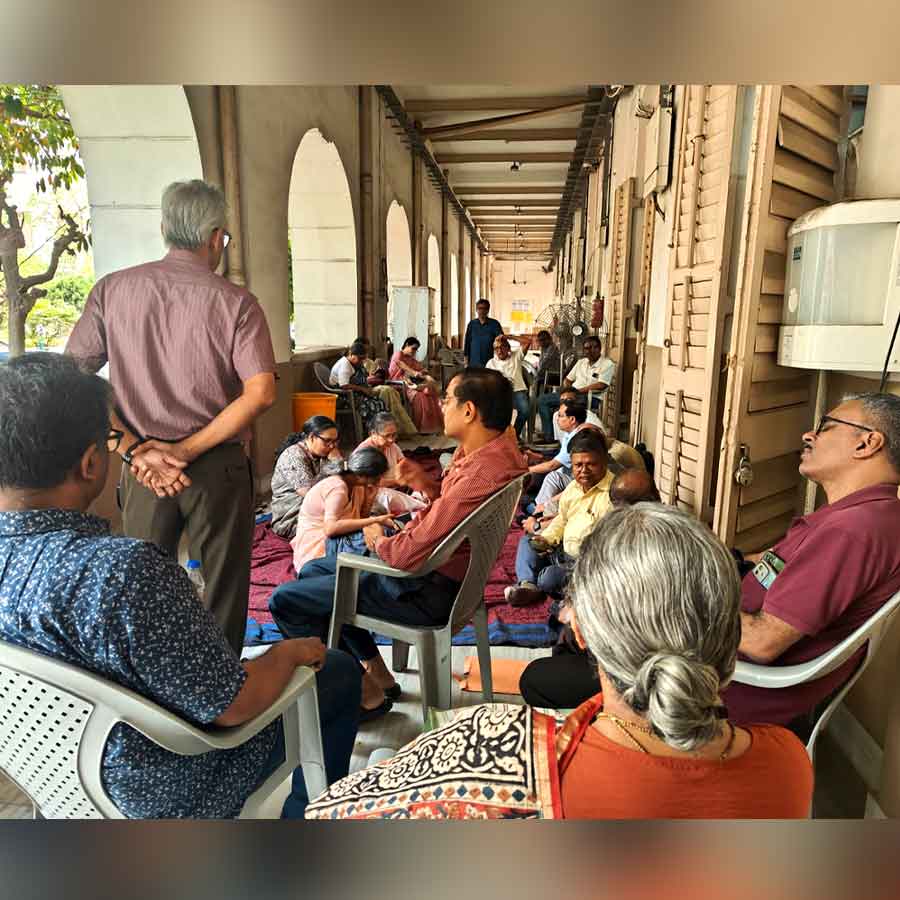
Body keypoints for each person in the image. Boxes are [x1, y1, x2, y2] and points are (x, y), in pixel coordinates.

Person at [0, 354, 360, 819]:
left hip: (47, 774)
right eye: (110, 442)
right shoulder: (121, 572)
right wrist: (287, 653)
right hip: (160, 787)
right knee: (334, 671)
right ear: (91, 464)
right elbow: (231, 708)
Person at [305, 504, 812, 820]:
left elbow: (327, 814)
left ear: (583, 632)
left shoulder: (491, 751)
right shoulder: (790, 764)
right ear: (730, 633)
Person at [66, 179, 276, 655]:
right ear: (216, 237)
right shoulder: (236, 303)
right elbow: (261, 392)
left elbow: (72, 377)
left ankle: (151, 700)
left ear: (164, 229)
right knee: (222, 592)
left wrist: (135, 449)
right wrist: (185, 450)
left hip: (143, 471)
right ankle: (218, 702)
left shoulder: (112, 291)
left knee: (141, 589)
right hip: (216, 470)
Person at [269, 367, 527, 717]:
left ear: (469, 411)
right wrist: (428, 485)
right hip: (450, 577)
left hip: (424, 589)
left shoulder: (481, 471)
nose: (440, 404)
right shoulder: (498, 451)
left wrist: (378, 540)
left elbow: (406, 555)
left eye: (447, 399)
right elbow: (454, 510)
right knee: (316, 569)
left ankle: (360, 694)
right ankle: (377, 672)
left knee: (288, 600)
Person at [724, 393, 900, 731]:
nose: (809, 435)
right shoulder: (864, 516)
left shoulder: (852, 531)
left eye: (826, 427)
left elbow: (762, 642)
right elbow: (777, 563)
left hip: (719, 688)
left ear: (867, 443)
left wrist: (680, 597)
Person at [518, 466, 662, 709]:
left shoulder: (633, 544)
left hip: (641, 666)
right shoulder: (683, 531)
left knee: (535, 678)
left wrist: (585, 615)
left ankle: (608, 707)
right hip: (639, 649)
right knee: (568, 632)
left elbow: (628, 618)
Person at [506, 429, 613, 607]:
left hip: (586, 564)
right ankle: (528, 585)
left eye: (591, 464)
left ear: (604, 462)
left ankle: (542, 584)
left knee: (549, 578)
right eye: (578, 465)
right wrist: (546, 539)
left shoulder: (612, 494)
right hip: (562, 550)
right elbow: (562, 519)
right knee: (528, 542)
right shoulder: (574, 487)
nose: (583, 471)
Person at [290, 448, 394, 574]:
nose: (379, 481)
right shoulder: (337, 488)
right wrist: (375, 520)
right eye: (377, 477)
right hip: (319, 546)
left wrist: (369, 500)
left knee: (383, 533)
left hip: (339, 536)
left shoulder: (357, 485)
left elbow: (360, 519)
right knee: (380, 537)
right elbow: (330, 529)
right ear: (363, 475)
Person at [270, 415, 341, 539]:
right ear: (312, 437)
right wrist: (335, 464)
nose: (332, 446)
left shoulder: (322, 452)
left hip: (314, 511)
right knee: (341, 529)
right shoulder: (293, 457)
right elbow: (311, 495)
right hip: (291, 519)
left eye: (335, 442)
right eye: (327, 441)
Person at [538, 335, 615, 439]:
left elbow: (602, 384)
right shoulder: (581, 362)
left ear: (600, 348)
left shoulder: (607, 364)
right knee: (542, 400)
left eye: (594, 347)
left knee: (563, 409)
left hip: (590, 397)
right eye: (587, 348)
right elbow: (568, 380)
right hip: (572, 394)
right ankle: (549, 435)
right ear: (584, 350)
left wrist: (578, 391)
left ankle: (563, 435)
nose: (591, 350)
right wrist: (568, 391)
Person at [388, 336, 443, 434]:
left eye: (416, 350)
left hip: (411, 383)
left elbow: (420, 368)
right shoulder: (398, 354)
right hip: (398, 383)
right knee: (420, 396)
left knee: (430, 393)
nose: (414, 351)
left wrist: (424, 373)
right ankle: (420, 428)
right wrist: (414, 373)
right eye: (413, 348)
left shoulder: (411, 359)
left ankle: (431, 428)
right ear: (407, 345)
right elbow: (401, 364)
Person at [485, 335, 530, 439]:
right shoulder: (491, 363)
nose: (499, 351)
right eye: (496, 348)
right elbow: (487, 382)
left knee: (525, 410)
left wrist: (509, 336)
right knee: (493, 411)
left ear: (508, 348)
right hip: (500, 394)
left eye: (502, 347)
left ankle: (514, 435)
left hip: (517, 391)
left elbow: (527, 341)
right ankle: (499, 437)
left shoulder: (516, 356)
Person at [463, 298, 503, 368]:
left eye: (484, 308)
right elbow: (467, 343)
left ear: (488, 310)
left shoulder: (495, 324)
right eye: (480, 308)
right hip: (473, 363)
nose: (482, 311)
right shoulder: (472, 324)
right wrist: (466, 362)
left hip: (490, 363)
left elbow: (501, 341)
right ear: (476, 310)